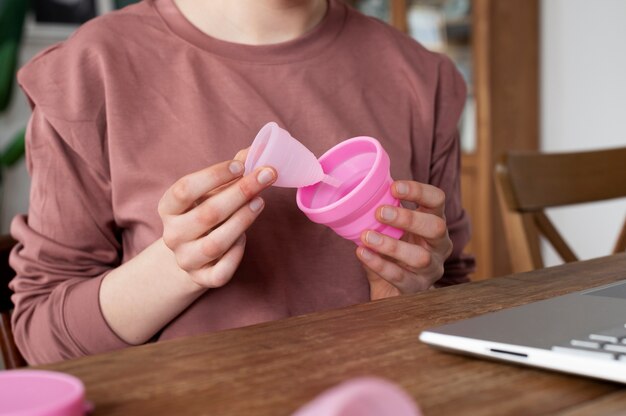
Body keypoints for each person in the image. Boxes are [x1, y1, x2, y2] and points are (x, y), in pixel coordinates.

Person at [9, 0, 475, 365]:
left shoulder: (422, 78)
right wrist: (177, 269)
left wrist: (412, 294)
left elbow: (456, 295)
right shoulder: (90, 71)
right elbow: (44, 343)